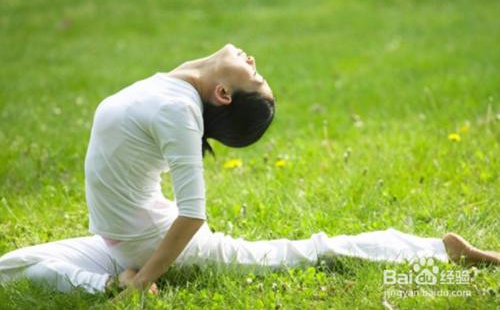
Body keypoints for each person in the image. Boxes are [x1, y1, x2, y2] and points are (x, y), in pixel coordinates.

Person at [0, 44, 498, 295]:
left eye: (254, 76)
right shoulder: (173, 87)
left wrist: (152, 272)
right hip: (116, 241)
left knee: (305, 254)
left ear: (224, 94)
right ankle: (113, 285)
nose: (254, 61)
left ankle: (441, 251)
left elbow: (192, 214)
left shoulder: (180, 111)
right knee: (12, 268)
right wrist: (131, 281)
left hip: (152, 241)